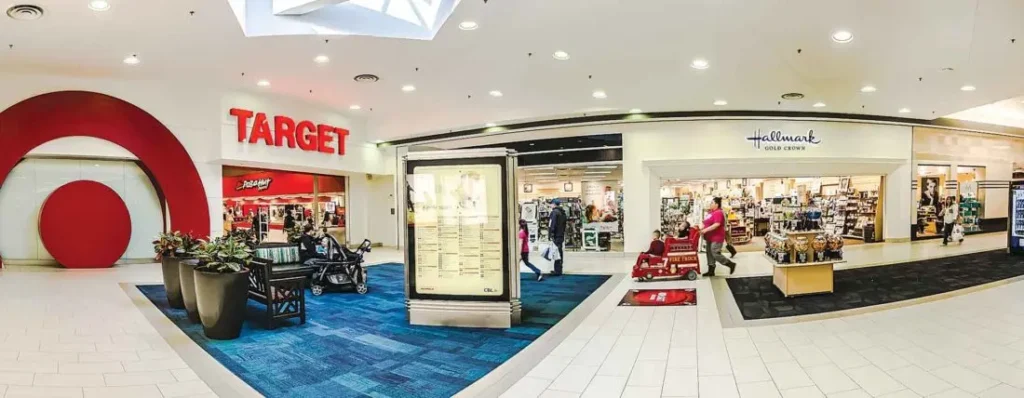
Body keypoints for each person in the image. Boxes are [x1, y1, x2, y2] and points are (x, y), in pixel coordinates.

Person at [699, 197, 737, 277]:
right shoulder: (711, 212)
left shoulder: (718, 212)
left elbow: (717, 224)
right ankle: (711, 270)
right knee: (709, 253)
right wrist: (701, 227)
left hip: (717, 237)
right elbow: (705, 222)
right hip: (709, 237)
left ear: (716, 204)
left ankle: (729, 264)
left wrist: (705, 230)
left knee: (715, 253)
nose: (710, 204)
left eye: (712, 203)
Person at [548, 199, 567, 276]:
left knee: (556, 252)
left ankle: (557, 271)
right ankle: (559, 269)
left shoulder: (554, 212)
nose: (550, 205)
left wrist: (550, 234)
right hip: (561, 234)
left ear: (554, 204)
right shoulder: (563, 213)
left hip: (556, 235)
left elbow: (552, 224)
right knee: (559, 251)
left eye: (551, 204)